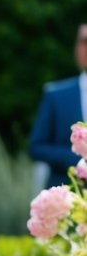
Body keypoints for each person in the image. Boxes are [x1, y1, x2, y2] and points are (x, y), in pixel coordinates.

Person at [29, 23, 87, 187]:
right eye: (84, 42)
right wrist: (78, 156)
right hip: (66, 192)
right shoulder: (56, 95)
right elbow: (36, 147)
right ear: (77, 48)